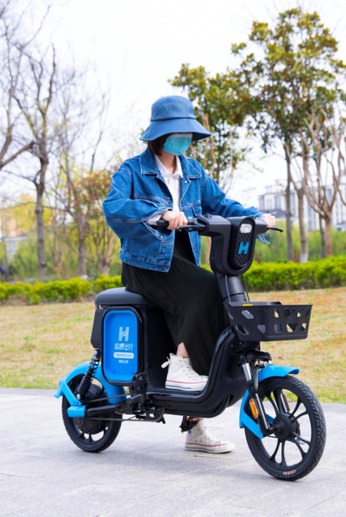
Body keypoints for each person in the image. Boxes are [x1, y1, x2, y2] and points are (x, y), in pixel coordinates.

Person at [103, 95, 274, 454]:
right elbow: (114, 208)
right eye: (177, 132)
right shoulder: (132, 170)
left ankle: (195, 426)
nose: (184, 138)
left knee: (221, 300)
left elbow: (221, 204)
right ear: (159, 135)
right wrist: (160, 212)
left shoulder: (193, 171)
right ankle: (181, 368)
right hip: (145, 264)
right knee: (207, 289)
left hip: (182, 261)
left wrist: (255, 217)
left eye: (188, 133)